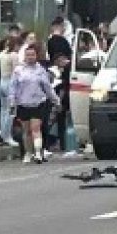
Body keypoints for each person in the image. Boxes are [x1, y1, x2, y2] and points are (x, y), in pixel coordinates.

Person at [8, 44, 60, 164]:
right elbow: (13, 87)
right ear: (25, 56)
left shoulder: (41, 70)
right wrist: (12, 102)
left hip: (38, 103)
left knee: (36, 128)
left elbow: (47, 88)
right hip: (23, 103)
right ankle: (28, 153)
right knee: (26, 131)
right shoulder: (18, 71)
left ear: (36, 56)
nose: (30, 57)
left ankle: (37, 153)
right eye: (28, 55)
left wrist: (56, 100)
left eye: (32, 55)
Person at [47, 18, 73, 151]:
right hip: (61, 82)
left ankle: (59, 141)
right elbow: (64, 58)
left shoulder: (50, 42)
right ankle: (62, 142)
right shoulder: (61, 41)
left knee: (57, 112)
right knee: (59, 112)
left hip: (57, 80)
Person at [0, 35, 21, 147]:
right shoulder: (14, 55)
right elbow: (16, 72)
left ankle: (3, 134)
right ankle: (7, 136)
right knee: (11, 111)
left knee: (3, 110)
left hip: (2, 81)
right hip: (10, 83)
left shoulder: (1, 54)